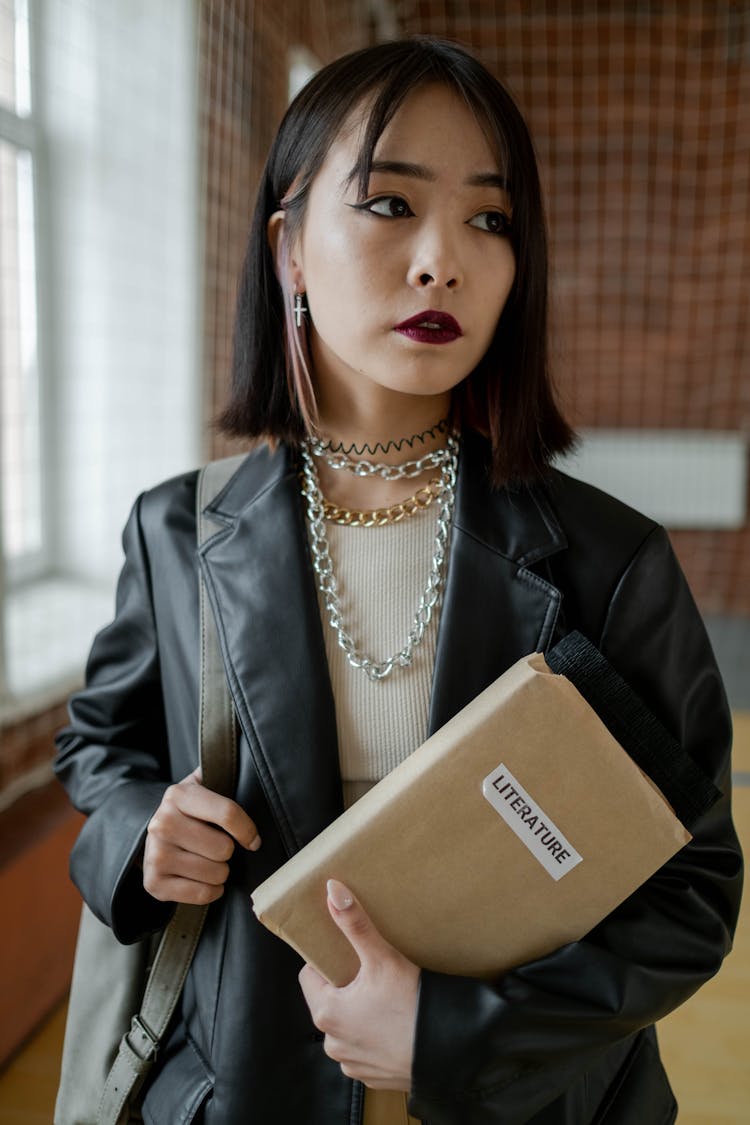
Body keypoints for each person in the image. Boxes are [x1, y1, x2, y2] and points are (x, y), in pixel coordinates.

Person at [55, 36, 742, 1125]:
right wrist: (142, 832)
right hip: (240, 1085)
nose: (442, 261)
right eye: (389, 205)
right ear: (287, 246)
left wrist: (456, 1036)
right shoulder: (180, 530)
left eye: (489, 218)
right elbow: (101, 747)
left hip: (523, 1100)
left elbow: (690, 889)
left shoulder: (612, 561)